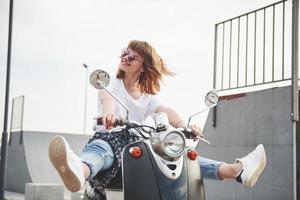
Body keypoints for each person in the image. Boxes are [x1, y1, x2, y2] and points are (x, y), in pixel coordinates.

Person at [48, 40, 266, 197]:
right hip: (111, 138)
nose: (126, 57)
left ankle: (236, 171)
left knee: (178, 157)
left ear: (144, 66)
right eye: (124, 53)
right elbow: (107, 100)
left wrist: (184, 125)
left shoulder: (148, 97)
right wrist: (109, 114)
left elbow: (167, 110)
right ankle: (78, 170)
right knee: (100, 150)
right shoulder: (111, 84)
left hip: (137, 145)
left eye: (132, 55)